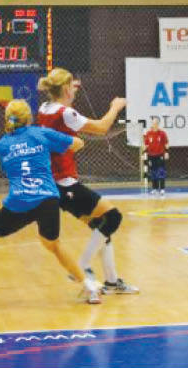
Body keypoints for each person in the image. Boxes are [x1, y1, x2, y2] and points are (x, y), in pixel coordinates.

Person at [0, 100, 99, 311]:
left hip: (20, 201)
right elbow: (77, 144)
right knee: (53, 244)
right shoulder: (42, 133)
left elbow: (11, 168)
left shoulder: (2, 144)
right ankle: (89, 288)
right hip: (47, 199)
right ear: (29, 118)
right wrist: (62, 137)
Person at [36, 68, 139, 303]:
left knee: (100, 228)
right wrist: (116, 106)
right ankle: (81, 266)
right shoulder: (65, 113)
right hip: (66, 184)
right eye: (72, 87)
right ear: (65, 89)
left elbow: (60, 102)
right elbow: (102, 127)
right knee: (113, 218)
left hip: (55, 184)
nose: (75, 90)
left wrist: (68, 87)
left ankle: (112, 281)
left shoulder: (44, 108)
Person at [144, 118, 169, 198]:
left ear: (158, 124)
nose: (154, 125)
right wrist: (144, 154)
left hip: (160, 155)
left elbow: (166, 143)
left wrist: (166, 152)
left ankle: (162, 189)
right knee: (153, 172)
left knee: (161, 172)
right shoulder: (148, 133)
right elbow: (146, 145)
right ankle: (154, 189)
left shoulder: (162, 133)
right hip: (151, 155)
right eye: (153, 123)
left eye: (156, 123)